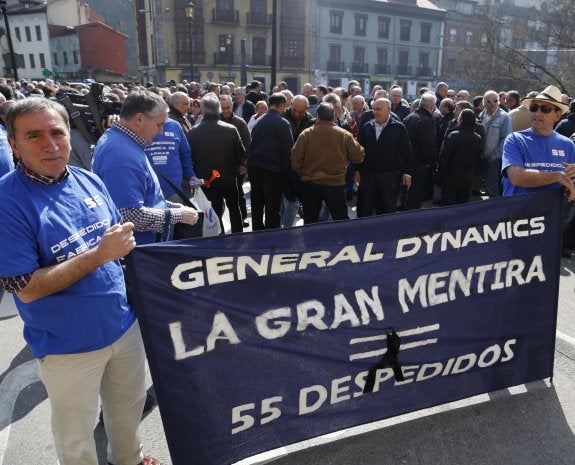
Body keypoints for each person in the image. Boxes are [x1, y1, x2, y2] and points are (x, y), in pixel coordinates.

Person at [0, 98, 160, 465]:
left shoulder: (88, 180)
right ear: (14, 144)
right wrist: (100, 255)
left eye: (57, 132)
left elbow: (117, 247)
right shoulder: (7, 201)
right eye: (34, 135)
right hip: (67, 346)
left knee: (128, 412)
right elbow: (26, 286)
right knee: (77, 436)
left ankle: (130, 460)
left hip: (123, 327)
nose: (51, 144)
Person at [92, 90, 199, 245]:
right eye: (159, 124)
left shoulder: (122, 142)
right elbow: (129, 215)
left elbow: (142, 198)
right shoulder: (121, 154)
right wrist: (178, 214)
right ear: (139, 119)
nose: (161, 131)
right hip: (139, 250)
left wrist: (167, 205)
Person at [502, 85, 575, 256]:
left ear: (558, 115)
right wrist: (557, 176)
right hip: (516, 222)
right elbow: (516, 177)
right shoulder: (515, 139)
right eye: (534, 107)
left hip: (549, 224)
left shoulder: (568, 145)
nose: (538, 112)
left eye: (545, 108)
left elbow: (570, 182)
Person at [290, 102, 364, 224]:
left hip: (311, 183)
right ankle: (341, 242)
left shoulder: (307, 133)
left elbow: (295, 158)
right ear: (334, 116)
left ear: (317, 116)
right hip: (335, 184)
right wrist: (346, 162)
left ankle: (311, 243)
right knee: (340, 220)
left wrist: (303, 173)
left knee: (310, 220)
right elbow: (359, 156)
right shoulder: (344, 134)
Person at [188, 93, 246, 233]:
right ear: (219, 109)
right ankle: (237, 234)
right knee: (234, 207)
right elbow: (241, 153)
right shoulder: (230, 129)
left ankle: (217, 235)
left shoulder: (194, 132)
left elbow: (189, 157)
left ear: (202, 109)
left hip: (206, 179)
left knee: (213, 209)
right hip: (228, 177)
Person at [357, 98, 414, 216]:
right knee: (366, 206)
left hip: (389, 175)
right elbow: (359, 151)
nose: (375, 112)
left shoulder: (399, 128)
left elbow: (407, 152)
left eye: (379, 109)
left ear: (388, 110)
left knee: (388, 207)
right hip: (369, 174)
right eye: (374, 109)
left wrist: (407, 173)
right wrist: (357, 170)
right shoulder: (367, 127)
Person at [247, 92, 294, 230]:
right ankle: (271, 235)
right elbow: (288, 150)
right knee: (272, 206)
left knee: (257, 203)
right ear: (281, 106)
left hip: (255, 167)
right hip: (273, 170)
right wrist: (289, 172)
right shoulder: (283, 123)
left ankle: (256, 232)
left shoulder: (258, 121)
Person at [436, 109, 484, 205]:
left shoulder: (453, 136)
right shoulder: (477, 137)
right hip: (467, 177)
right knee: (463, 207)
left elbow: (443, 158)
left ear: (461, 120)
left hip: (450, 177)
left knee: (449, 207)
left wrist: (438, 176)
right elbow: (479, 158)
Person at [403, 92, 437, 210]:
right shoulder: (426, 120)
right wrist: (430, 162)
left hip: (406, 161)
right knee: (415, 192)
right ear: (432, 106)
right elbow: (427, 144)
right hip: (419, 162)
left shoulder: (410, 116)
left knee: (407, 191)